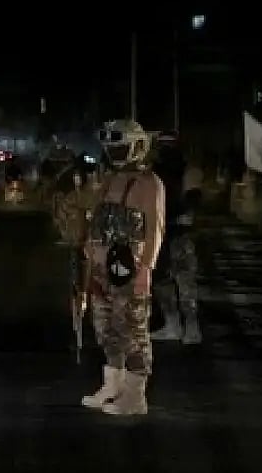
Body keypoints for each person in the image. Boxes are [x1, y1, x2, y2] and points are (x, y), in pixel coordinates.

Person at [81, 119, 166, 416]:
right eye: (111, 146)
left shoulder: (149, 183)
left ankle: (134, 396)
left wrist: (146, 269)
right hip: (103, 266)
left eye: (120, 146)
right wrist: (90, 254)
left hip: (129, 268)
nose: (115, 152)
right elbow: (97, 219)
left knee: (132, 331)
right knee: (106, 329)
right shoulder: (109, 179)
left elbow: (155, 228)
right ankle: (113, 385)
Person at [150, 132, 203, 344]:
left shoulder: (186, 171)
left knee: (181, 281)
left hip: (176, 231)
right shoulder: (159, 172)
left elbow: (193, 199)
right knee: (165, 280)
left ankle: (188, 327)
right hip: (166, 231)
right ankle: (176, 325)